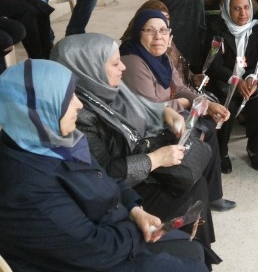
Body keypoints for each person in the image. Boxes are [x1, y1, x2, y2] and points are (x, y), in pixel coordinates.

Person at [0, 60, 208, 272]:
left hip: (112, 231)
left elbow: (105, 177)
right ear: (40, 109)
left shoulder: (53, 139)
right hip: (98, 257)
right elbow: (93, 250)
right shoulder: (26, 188)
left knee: (194, 249)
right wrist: (135, 228)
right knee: (192, 260)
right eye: (67, 98)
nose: (79, 104)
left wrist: (135, 210)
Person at [52, 33, 235, 221]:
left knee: (197, 177)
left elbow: (143, 106)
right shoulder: (77, 115)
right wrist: (155, 159)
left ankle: (202, 223)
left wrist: (165, 112)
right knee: (192, 192)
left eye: (164, 29)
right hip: (126, 186)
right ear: (89, 67)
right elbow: (104, 173)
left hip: (139, 157)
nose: (122, 67)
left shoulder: (109, 89)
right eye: (115, 64)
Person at [206, 0, 258, 173]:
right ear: (228, 10)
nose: (243, 13)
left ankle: (254, 149)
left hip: (250, 82)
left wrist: (252, 78)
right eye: (236, 9)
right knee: (227, 105)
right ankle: (222, 152)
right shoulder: (217, 30)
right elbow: (214, 65)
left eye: (246, 8)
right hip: (225, 82)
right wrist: (236, 80)